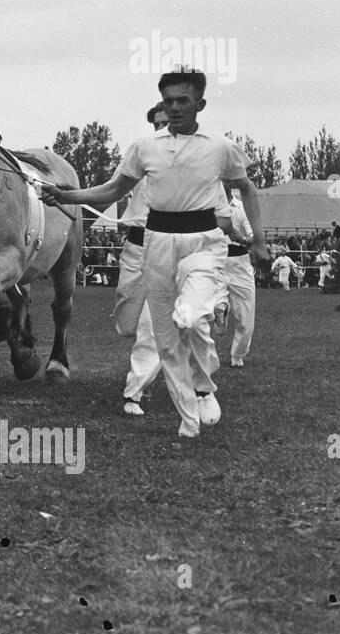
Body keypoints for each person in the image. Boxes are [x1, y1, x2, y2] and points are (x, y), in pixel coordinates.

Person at [41, 68, 269, 439]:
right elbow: (112, 190)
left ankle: (203, 386)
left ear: (200, 103)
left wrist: (258, 240)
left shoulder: (220, 148)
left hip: (203, 244)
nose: (175, 108)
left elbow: (247, 189)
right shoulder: (144, 148)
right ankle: (187, 417)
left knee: (192, 318)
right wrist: (67, 196)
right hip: (157, 243)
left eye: (183, 101)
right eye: (169, 101)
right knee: (162, 336)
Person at [113, 103, 170, 417]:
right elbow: (110, 190)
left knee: (152, 327)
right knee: (127, 323)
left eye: (167, 124)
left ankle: (133, 392)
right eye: (156, 125)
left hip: (166, 252)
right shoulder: (140, 154)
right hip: (133, 250)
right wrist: (69, 196)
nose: (161, 130)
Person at [216, 186, 257, 368]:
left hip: (240, 260)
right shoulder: (206, 207)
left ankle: (237, 356)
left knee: (246, 315)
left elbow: (252, 235)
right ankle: (221, 310)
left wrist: (248, 239)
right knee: (213, 301)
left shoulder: (240, 208)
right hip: (216, 259)